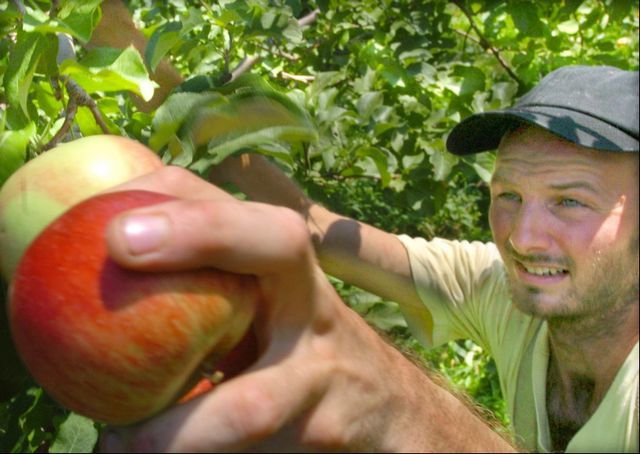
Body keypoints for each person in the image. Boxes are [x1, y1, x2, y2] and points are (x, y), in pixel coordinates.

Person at [89, 5, 638, 452]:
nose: (522, 237)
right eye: (508, 196)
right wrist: (153, 77)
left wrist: (400, 407)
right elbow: (317, 230)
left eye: (570, 202)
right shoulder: (501, 292)